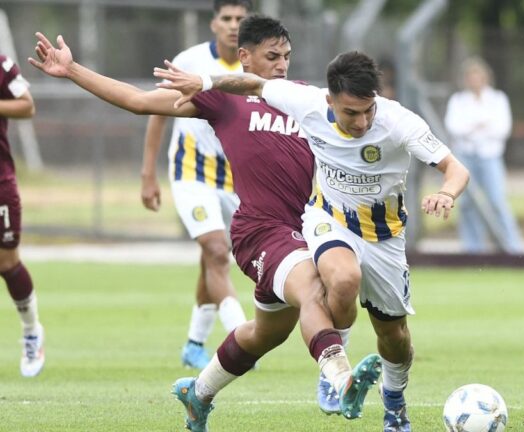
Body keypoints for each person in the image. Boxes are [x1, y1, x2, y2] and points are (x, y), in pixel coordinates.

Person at [29, 16, 383, 431]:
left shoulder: (306, 98)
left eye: (286, 56)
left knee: (263, 335)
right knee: (312, 289)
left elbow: (363, 120)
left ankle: (197, 394)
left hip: (305, 229)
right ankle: (338, 378)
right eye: (272, 57)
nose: (282, 65)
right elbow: (139, 101)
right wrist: (71, 70)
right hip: (260, 230)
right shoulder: (223, 99)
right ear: (245, 57)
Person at [156, 50, 471, 432]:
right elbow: (254, 84)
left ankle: (394, 403)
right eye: (351, 112)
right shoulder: (305, 102)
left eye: (368, 110)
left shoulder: (399, 121)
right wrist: (204, 82)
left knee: (394, 336)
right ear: (330, 99)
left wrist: (447, 194)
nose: (362, 121)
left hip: (385, 236)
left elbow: (455, 168)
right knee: (342, 279)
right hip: (329, 220)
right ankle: (334, 371)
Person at [141, 0, 252, 370]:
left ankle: (193, 343)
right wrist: (147, 173)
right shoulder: (189, 61)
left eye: (240, 18)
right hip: (192, 173)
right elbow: (157, 109)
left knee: (213, 257)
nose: (234, 24)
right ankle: (241, 335)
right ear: (213, 23)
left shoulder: (256, 65)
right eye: (227, 18)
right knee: (218, 251)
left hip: (237, 181)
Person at [444, 57, 523, 254]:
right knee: (467, 203)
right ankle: (472, 249)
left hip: (490, 156)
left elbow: (502, 128)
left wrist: (472, 126)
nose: (474, 80)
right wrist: (481, 124)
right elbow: (454, 127)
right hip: (466, 156)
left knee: (496, 200)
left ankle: (513, 247)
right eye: (471, 77)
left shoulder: (497, 99)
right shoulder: (458, 100)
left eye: (478, 76)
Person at [0, 53, 45, 378]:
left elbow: (26, 105)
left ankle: (31, 332)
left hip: (0, 181)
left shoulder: (1, 64)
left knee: (7, 263)